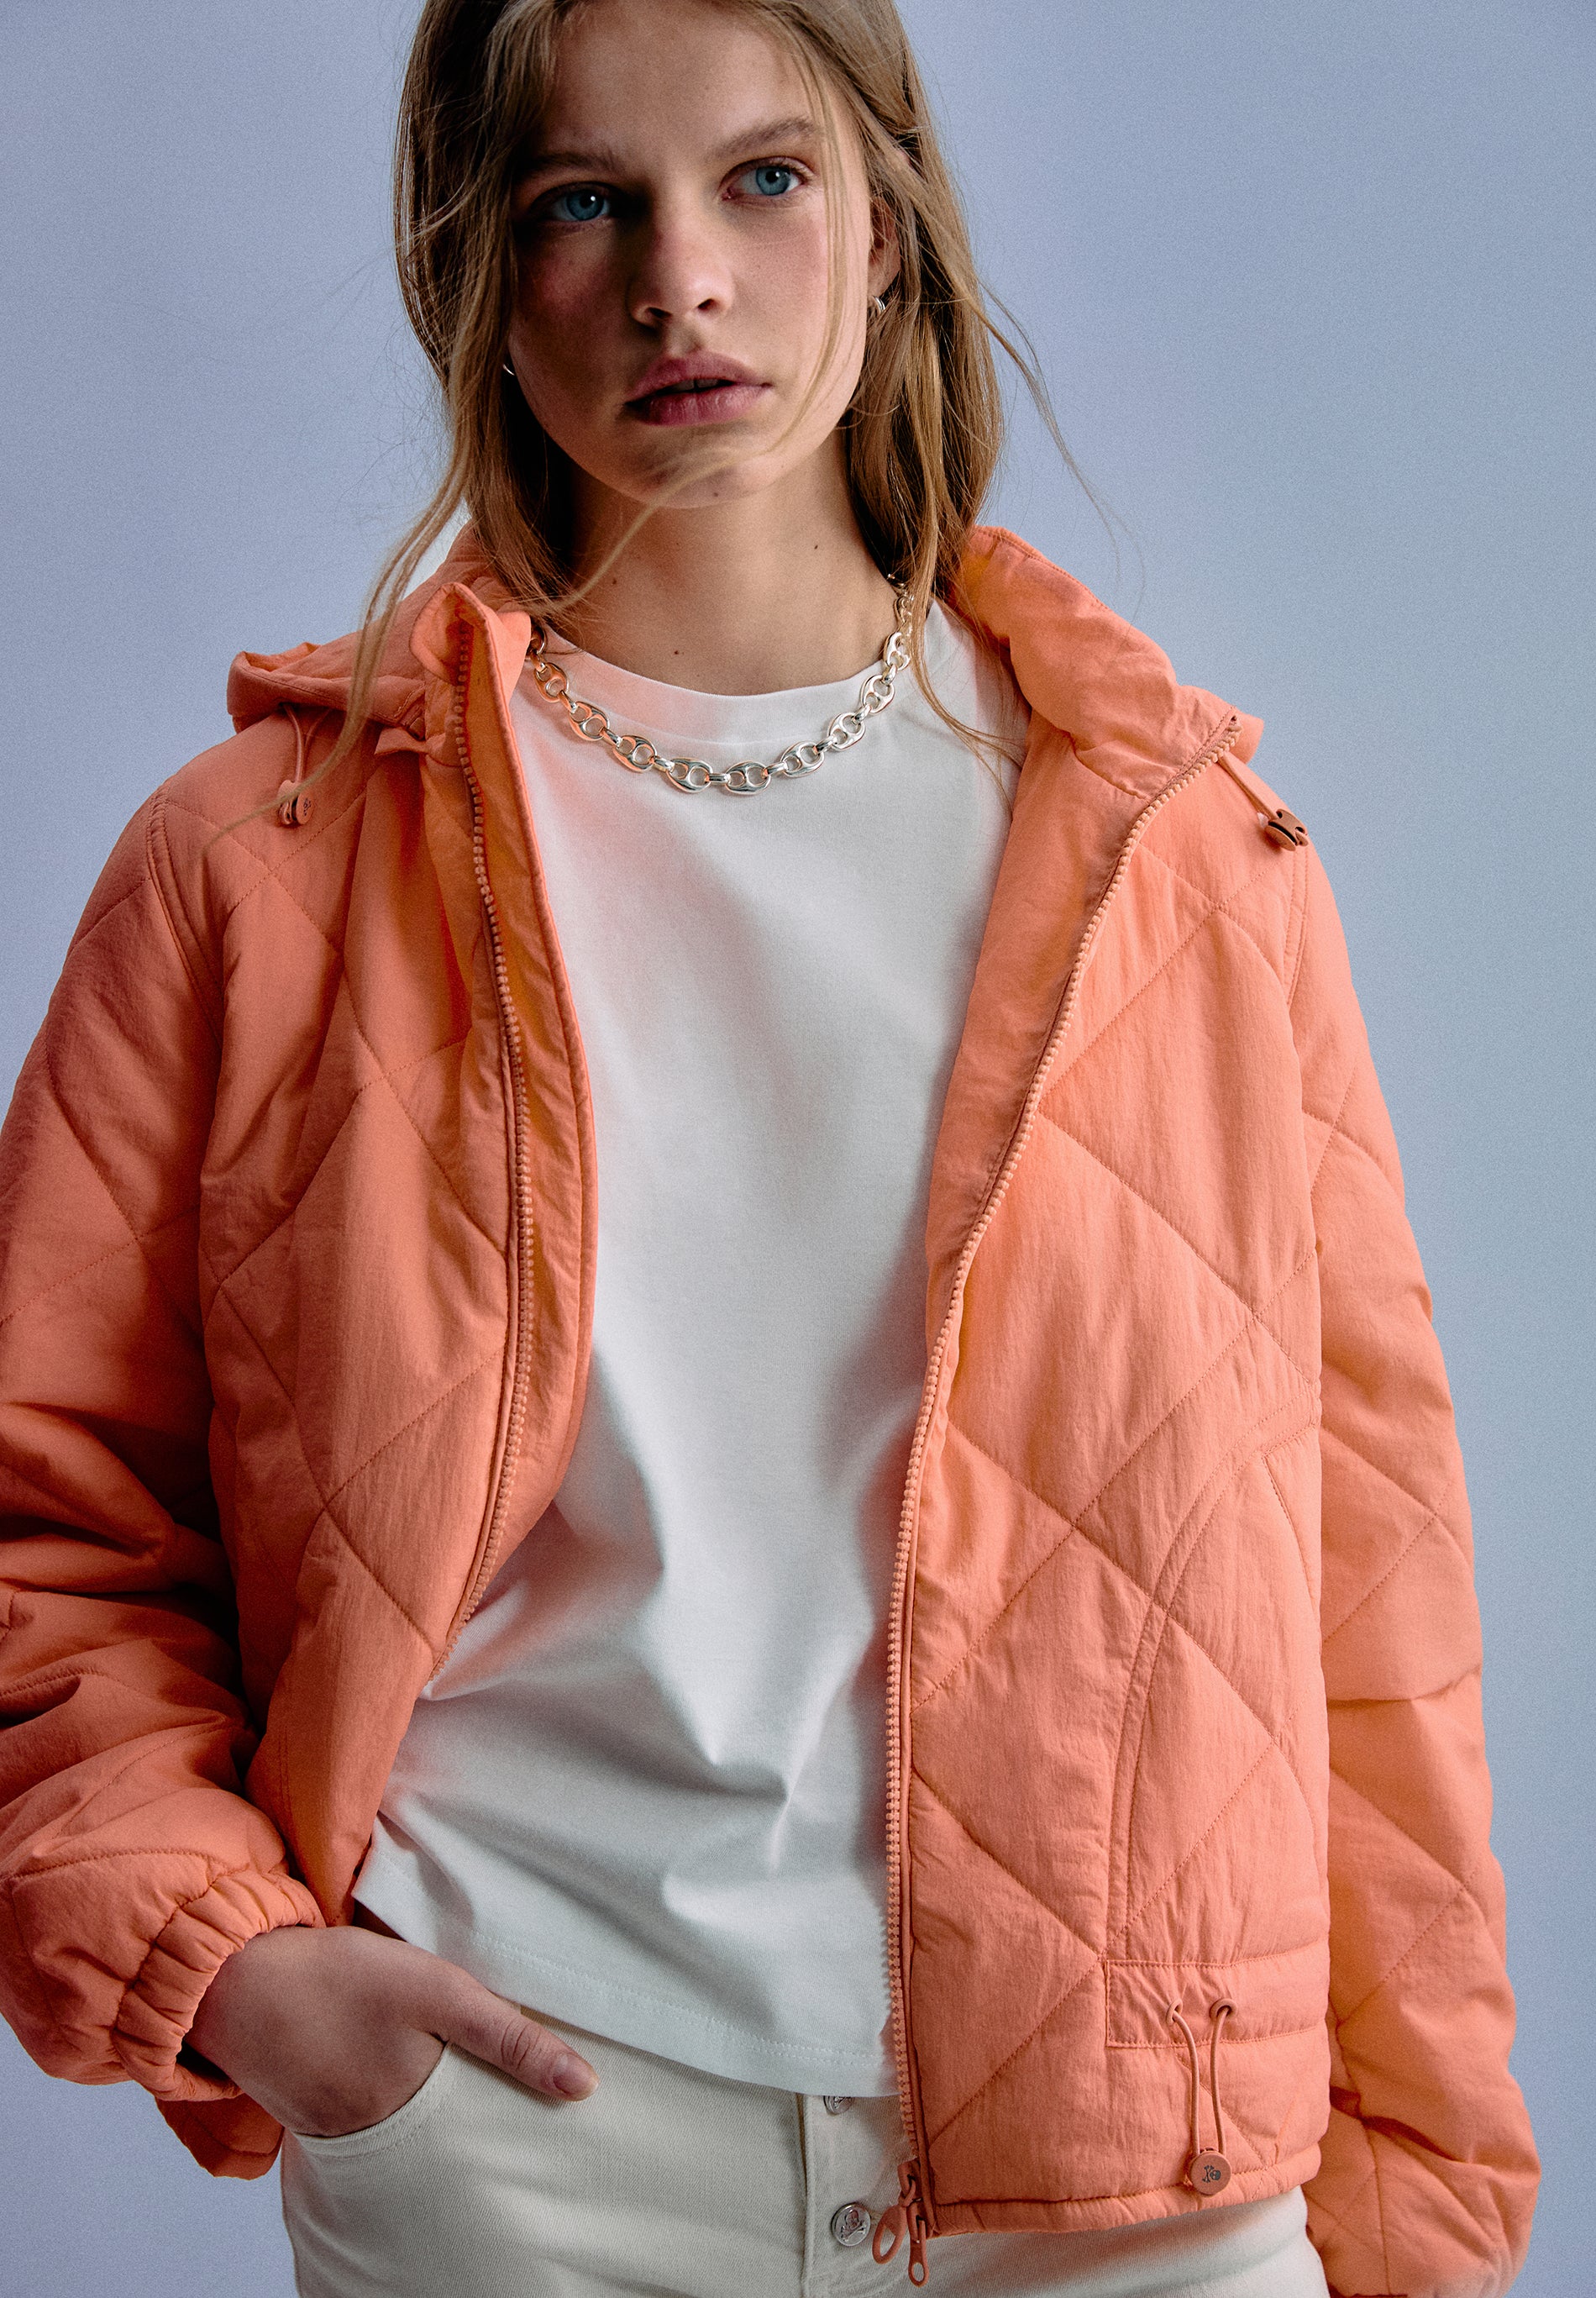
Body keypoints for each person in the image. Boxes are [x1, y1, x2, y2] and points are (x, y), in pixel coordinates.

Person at [0, 1, 1538, 2293]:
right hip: (518, 2136)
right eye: (581, 202)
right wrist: (238, 1972)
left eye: (764, 179)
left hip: (1137, 2157)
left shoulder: (1182, 856)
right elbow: (47, 1520)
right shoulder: (258, 866)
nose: (680, 280)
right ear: (475, 271)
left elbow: (1364, 1576)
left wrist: (1411, 2207)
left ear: (889, 231)